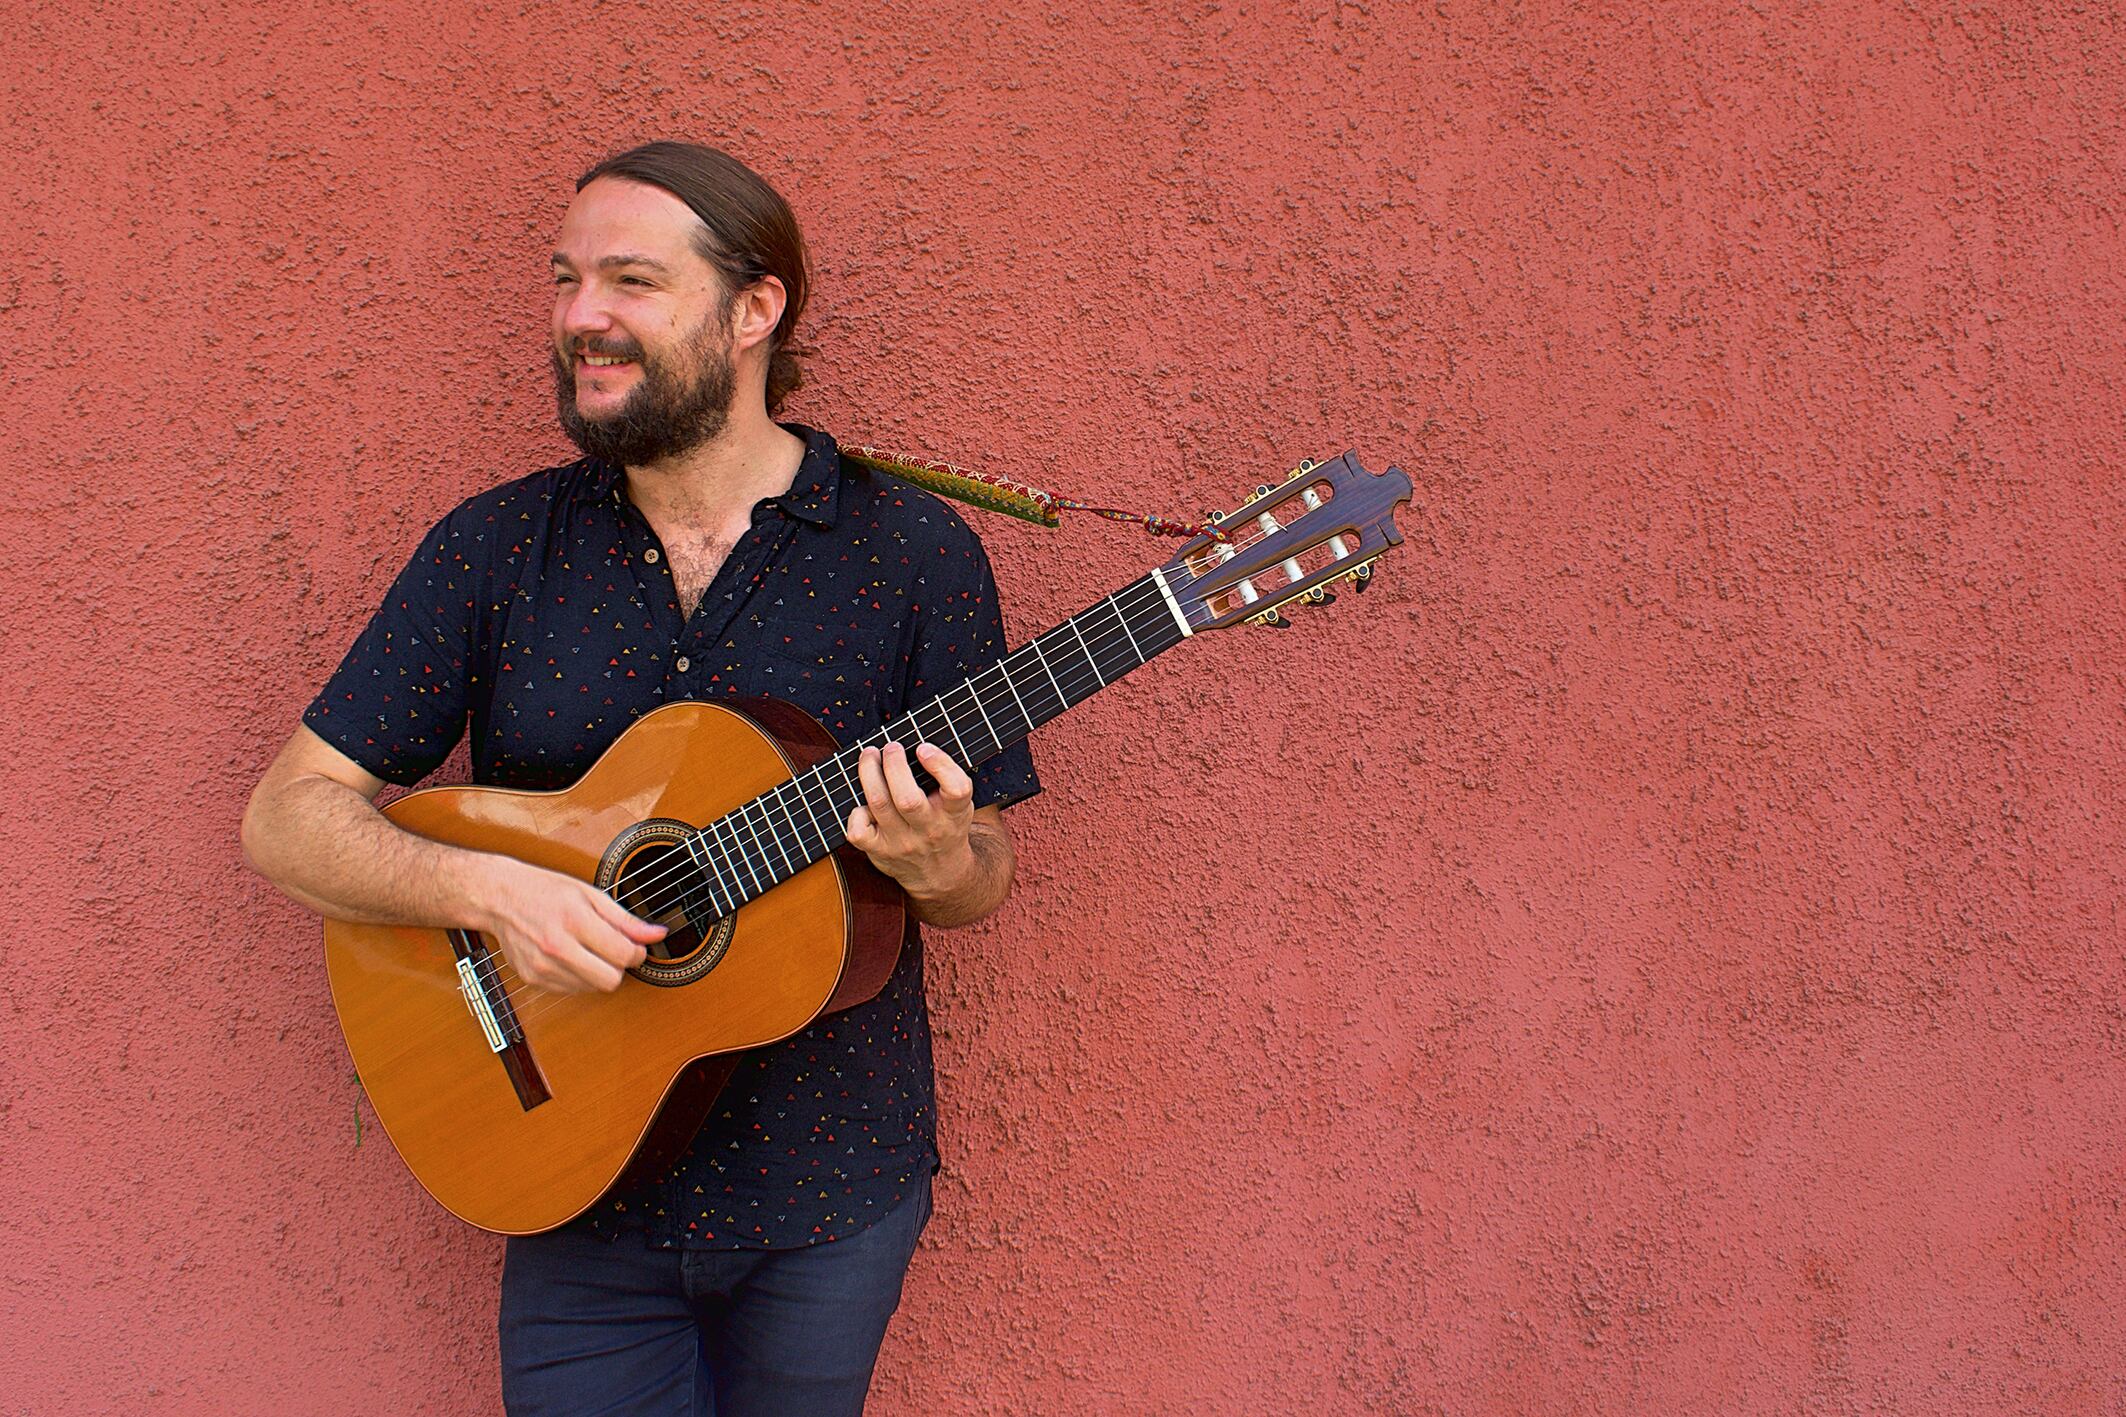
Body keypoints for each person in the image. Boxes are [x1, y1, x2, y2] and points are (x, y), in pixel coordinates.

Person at [241, 140, 1039, 1416]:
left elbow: (981, 865)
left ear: (754, 310)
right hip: (566, 1169)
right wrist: (498, 895)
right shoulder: (498, 546)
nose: (579, 321)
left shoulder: (911, 552)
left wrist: (942, 862)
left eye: (629, 282)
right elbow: (286, 821)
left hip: (827, 1194)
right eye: (564, 282)